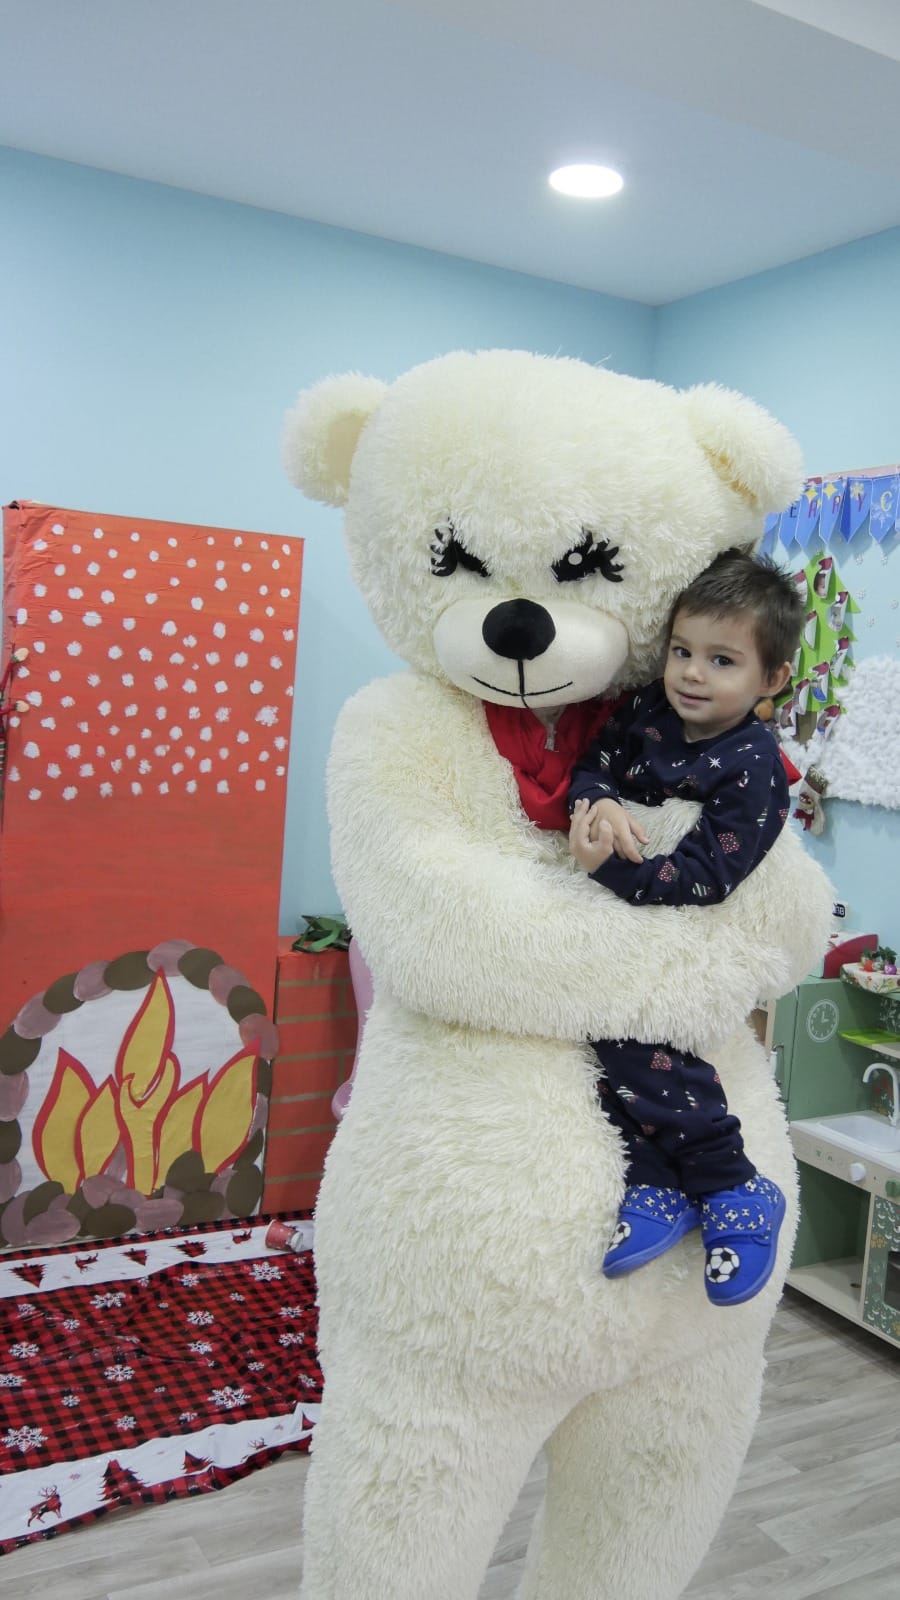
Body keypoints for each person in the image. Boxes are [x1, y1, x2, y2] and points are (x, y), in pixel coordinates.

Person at [567, 548, 802, 1306]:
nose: (691, 674)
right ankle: (653, 1181)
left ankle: (732, 1184)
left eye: (721, 660)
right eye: (682, 652)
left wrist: (606, 869)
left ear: (771, 681)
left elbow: (707, 875)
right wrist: (597, 802)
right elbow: (593, 760)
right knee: (597, 1047)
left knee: (644, 1038)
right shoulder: (648, 713)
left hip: (694, 925)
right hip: (623, 915)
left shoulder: (753, 766)